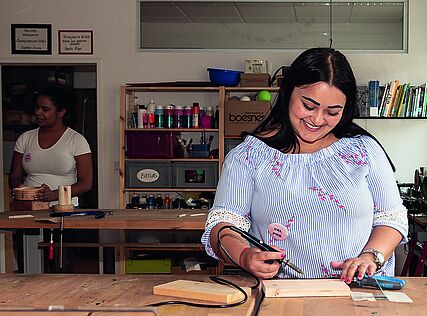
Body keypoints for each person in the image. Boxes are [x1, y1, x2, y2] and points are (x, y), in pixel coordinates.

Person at [202, 48, 408, 284]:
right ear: (289, 93)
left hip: (359, 294)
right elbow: (223, 226)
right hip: (282, 295)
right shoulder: (249, 157)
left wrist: (371, 256)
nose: (317, 120)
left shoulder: (364, 151)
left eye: (332, 112)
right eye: (308, 106)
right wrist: (245, 255)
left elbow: (391, 218)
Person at [9, 87, 93, 207]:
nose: (38, 112)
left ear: (61, 112)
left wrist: (54, 195)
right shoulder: (25, 138)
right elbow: (14, 177)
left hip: (65, 208)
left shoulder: (76, 140)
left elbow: (85, 183)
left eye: (45, 109)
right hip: (29, 208)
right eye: (37, 107)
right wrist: (22, 190)